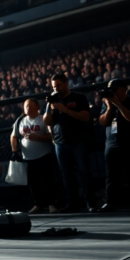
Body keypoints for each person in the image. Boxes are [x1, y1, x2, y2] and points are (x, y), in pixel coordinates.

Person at [43, 73, 96, 213]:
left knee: (84, 171)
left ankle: (91, 202)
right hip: (60, 143)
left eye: (58, 86)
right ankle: (72, 203)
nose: (56, 89)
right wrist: (50, 108)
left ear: (66, 84)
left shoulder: (78, 97)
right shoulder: (52, 101)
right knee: (66, 174)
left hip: (78, 140)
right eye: (54, 87)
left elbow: (85, 116)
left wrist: (65, 110)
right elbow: (47, 122)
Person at [98, 80, 130, 212]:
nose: (112, 91)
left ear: (124, 89)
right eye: (110, 89)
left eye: (115, 88)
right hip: (111, 144)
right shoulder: (107, 103)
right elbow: (102, 122)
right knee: (111, 176)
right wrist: (109, 108)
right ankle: (111, 202)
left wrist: (118, 105)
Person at [11, 99, 58, 214]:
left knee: (47, 181)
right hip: (28, 157)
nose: (28, 109)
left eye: (30, 106)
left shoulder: (43, 119)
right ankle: (38, 204)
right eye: (26, 106)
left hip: (43, 154)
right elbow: (14, 136)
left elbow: (51, 137)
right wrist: (15, 150)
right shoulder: (20, 121)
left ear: (37, 107)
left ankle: (51, 204)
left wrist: (37, 138)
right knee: (33, 183)